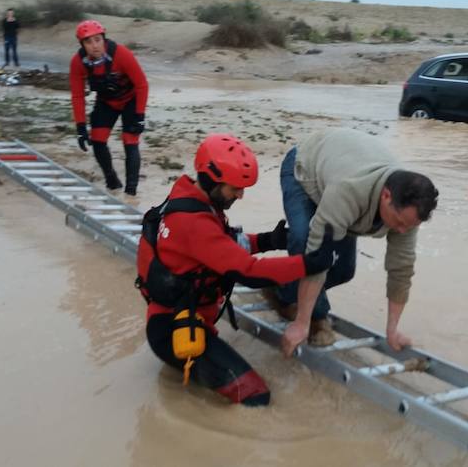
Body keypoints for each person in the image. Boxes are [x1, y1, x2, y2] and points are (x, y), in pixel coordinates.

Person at [136, 133, 337, 406]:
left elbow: (224, 246)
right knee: (256, 396)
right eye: (235, 189)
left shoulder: (190, 198)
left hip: (178, 320)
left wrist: (268, 240)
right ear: (211, 180)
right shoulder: (194, 223)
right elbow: (249, 272)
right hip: (176, 332)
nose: (241, 195)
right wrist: (308, 264)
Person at [272, 129, 438, 357]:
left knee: (343, 270)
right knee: (304, 241)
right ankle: (315, 315)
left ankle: (283, 291)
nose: (401, 231)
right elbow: (318, 254)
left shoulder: (408, 214)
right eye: (399, 222)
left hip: (341, 168)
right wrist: (302, 323)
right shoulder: (349, 190)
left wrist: (392, 330)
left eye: (408, 226)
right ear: (386, 196)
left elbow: (401, 269)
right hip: (304, 168)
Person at [69, 20, 148, 195]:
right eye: (88, 42)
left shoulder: (121, 54)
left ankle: (131, 192)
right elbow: (77, 96)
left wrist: (140, 116)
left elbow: (142, 84)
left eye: (97, 40)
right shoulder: (78, 62)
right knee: (97, 140)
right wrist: (80, 127)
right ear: (82, 45)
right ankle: (112, 182)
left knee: (130, 141)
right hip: (106, 102)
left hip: (130, 100)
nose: (94, 46)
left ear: (104, 38)